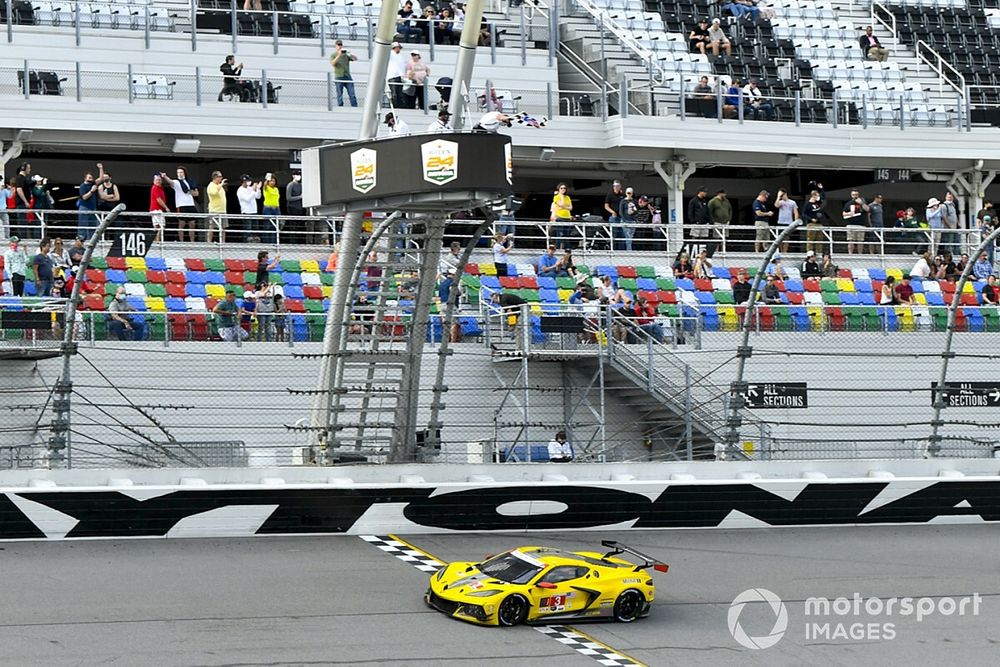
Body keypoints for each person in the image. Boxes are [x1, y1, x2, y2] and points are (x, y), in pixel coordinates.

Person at [159, 167, 199, 243]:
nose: (179, 174)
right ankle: (181, 241)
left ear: (184, 173)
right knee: (181, 224)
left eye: (181, 172)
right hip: (181, 205)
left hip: (190, 204)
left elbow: (196, 193)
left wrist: (191, 192)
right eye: (178, 173)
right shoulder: (176, 182)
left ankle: (192, 242)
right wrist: (165, 176)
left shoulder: (189, 181)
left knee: (192, 224)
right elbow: (170, 182)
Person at [77, 163, 107, 240]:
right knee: (83, 224)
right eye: (89, 177)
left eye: (91, 177)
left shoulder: (93, 184)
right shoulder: (83, 186)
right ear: (85, 178)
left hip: (93, 208)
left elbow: (101, 178)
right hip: (85, 207)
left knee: (93, 224)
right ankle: (81, 239)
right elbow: (84, 197)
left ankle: (92, 239)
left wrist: (101, 168)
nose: (91, 179)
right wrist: (91, 191)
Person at [330, 40, 358, 107]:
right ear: (336, 46)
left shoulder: (346, 55)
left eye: (340, 45)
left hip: (347, 76)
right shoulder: (333, 55)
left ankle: (354, 106)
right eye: (338, 45)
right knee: (340, 94)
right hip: (339, 76)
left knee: (352, 93)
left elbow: (355, 59)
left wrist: (350, 54)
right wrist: (339, 55)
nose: (339, 46)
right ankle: (340, 106)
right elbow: (333, 63)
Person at [802, 185, 828, 254]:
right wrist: (811, 219)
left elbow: (824, 198)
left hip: (819, 223)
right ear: (813, 196)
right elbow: (804, 214)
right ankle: (809, 253)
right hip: (811, 224)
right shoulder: (808, 204)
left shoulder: (818, 203)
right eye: (817, 196)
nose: (818, 197)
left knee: (819, 240)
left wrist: (821, 189)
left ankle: (819, 252)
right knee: (810, 240)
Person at [843, 190, 870, 255]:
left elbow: (868, 209)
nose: (855, 196)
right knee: (850, 240)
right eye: (853, 195)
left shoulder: (862, 202)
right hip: (851, 224)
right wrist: (849, 213)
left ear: (858, 195)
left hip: (861, 224)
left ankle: (860, 254)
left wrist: (862, 203)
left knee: (860, 241)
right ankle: (850, 254)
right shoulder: (848, 203)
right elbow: (843, 213)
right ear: (851, 195)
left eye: (856, 195)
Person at [237, 174, 262, 243]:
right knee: (248, 229)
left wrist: (258, 189)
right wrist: (253, 190)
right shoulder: (240, 190)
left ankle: (255, 242)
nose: (249, 182)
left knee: (255, 229)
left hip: (254, 211)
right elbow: (247, 199)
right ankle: (246, 243)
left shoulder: (250, 188)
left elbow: (258, 196)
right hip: (246, 212)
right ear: (244, 181)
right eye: (248, 180)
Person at [707, 189, 731, 257]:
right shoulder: (713, 201)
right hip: (717, 222)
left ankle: (723, 250)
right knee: (716, 237)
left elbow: (730, 210)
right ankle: (716, 250)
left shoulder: (726, 201)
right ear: (719, 193)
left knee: (724, 237)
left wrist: (729, 219)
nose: (725, 195)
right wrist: (712, 221)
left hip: (725, 222)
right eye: (723, 193)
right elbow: (709, 211)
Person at [773, 188, 798, 253]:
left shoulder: (792, 202)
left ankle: (785, 252)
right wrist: (778, 197)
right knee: (780, 238)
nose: (781, 197)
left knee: (787, 238)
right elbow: (776, 205)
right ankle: (781, 251)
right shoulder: (780, 202)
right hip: (780, 222)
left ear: (785, 194)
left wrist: (795, 222)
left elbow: (795, 212)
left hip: (789, 222)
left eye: (782, 195)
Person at [206, 171, 228, 244]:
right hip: (214, 210)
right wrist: (221, 185)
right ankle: (209, 242)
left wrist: (220, 185)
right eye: (220, 177)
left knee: (223, 227)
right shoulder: (211, 185)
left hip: (223, 210)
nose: (221, 178)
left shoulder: (220, 186)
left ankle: (223, 242)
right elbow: (214, 193)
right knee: (212, 227)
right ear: (215, 177)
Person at [686, 186, 710, 253]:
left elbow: (707, 211)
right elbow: (690, 211)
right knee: (694, 237)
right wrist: (693, 221)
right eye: (704, 192)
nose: (705, 193)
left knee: (703, 239)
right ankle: (692, 252)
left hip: (704, 223)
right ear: (700, 192)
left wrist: (708, 220)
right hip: (696, 223)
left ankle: (701, 252)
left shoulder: (704, 201)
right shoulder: (693, 201)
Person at [550, 183, 573, 250]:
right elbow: (561, 204)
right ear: (558, 189)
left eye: (564, 188)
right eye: (561, 188)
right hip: (560, 217)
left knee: (566, 235)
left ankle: (568, 250)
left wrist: (564, 207)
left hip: (567, 217)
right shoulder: (556, 197)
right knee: (560, 234)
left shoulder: (568, 197)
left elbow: (570, 208)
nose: (563, 189)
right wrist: (561, 195)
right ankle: (557, 249)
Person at [386, 41, 408, 109]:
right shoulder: (391, 54)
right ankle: (394, 106)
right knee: (394, 93)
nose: (399, 49)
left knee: (399, 93)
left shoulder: (400, 56)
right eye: (398, 48)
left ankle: (398, 106)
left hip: (399, 76)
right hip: (392, 76)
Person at [285, 172, 305, 243]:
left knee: (300, 226)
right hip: (292, 207)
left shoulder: (301, 185)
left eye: (299, 175)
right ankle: (293, 241)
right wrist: (299, 197)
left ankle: (300, 241)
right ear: (293, 176)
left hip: (300, 208)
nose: (298, 176)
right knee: (293, 225)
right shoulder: (290, 185)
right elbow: (288, 198)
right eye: (297, 175)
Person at [261, 174, 281, 244]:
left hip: (276, 208)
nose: (272, 182)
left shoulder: (276, 189)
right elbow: (264, 185)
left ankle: (274, 242)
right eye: (271, 181)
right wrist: (267, 179)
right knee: (267, 226)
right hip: (268, 208)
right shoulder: (266, 188)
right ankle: (266, 242)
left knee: (275, 227)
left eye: (274, 181)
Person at [604, 180, 624, 249]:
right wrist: (612, 212)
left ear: (620, 187)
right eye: (615, 186)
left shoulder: (622, 195)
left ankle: (621, 250)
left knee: (622, 234)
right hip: (613, 217)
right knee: (613, 234)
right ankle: (613, 249)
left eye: (617, 186)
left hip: (621, 217)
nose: (616, 187)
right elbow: (606, 206)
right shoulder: (610, 195)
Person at [149, 174, 168, 244]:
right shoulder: (155, 188)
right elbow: (158, 199)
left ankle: (155, 240)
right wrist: (166, 207)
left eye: (159, 180)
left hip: (157, 210)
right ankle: (157, 241)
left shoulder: (160, 188)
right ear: (154, 181)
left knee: (157, 226)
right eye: (157, 180)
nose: (158, 181)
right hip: (156, 210)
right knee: (161, 226)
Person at [617, 187, 637, 252]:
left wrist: (633, 210)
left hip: (632, 221)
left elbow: (636, 211)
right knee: (627, 236)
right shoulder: (623, 201)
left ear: (632, 193)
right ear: (625, 193)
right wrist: (624, 220)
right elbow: (620, 212)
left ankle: (629, 249)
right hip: (625, 221)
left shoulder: (634, 201)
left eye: (630, 193)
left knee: (631, 236)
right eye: (627, 193)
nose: (628, 194)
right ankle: (629, 251)